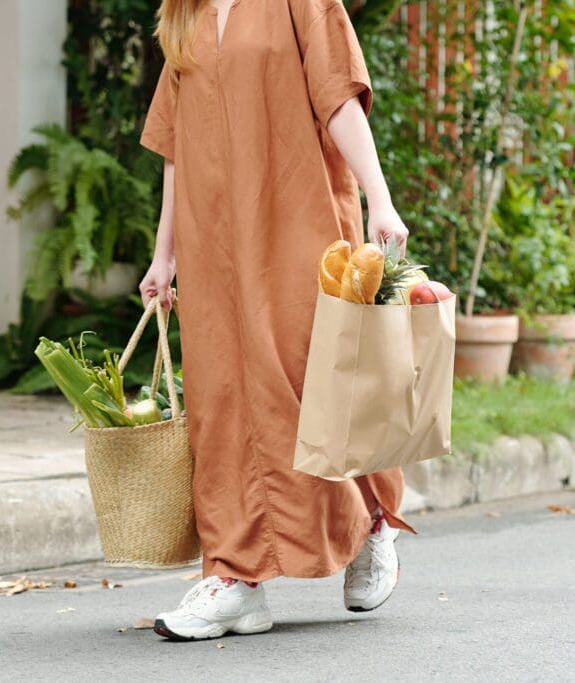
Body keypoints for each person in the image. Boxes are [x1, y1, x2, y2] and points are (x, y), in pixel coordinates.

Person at [138, 0, 415, 641]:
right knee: (223, 399)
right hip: (215, 243)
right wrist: (165, 254)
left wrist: (380, 198)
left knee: (311, 378)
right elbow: (175, 147)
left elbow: (340, 100)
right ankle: (237, 577)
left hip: (300, 218)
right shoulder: (185, 17)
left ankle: (370, 519)